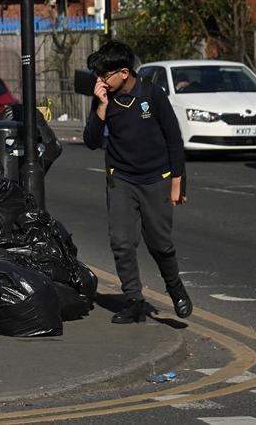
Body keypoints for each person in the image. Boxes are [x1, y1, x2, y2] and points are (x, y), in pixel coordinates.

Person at [83, 40, 192, 324]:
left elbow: (174, 140)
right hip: (121, 179)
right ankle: (134, 301)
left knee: (160, 244)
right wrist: (102, 108)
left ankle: (175, 288)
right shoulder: (103, 97)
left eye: (104, 75)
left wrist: (177, 184)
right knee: (121, 242)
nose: (100, 81)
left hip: (157, 178)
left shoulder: (152, 95)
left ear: (123, 72)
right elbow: (91, 141)